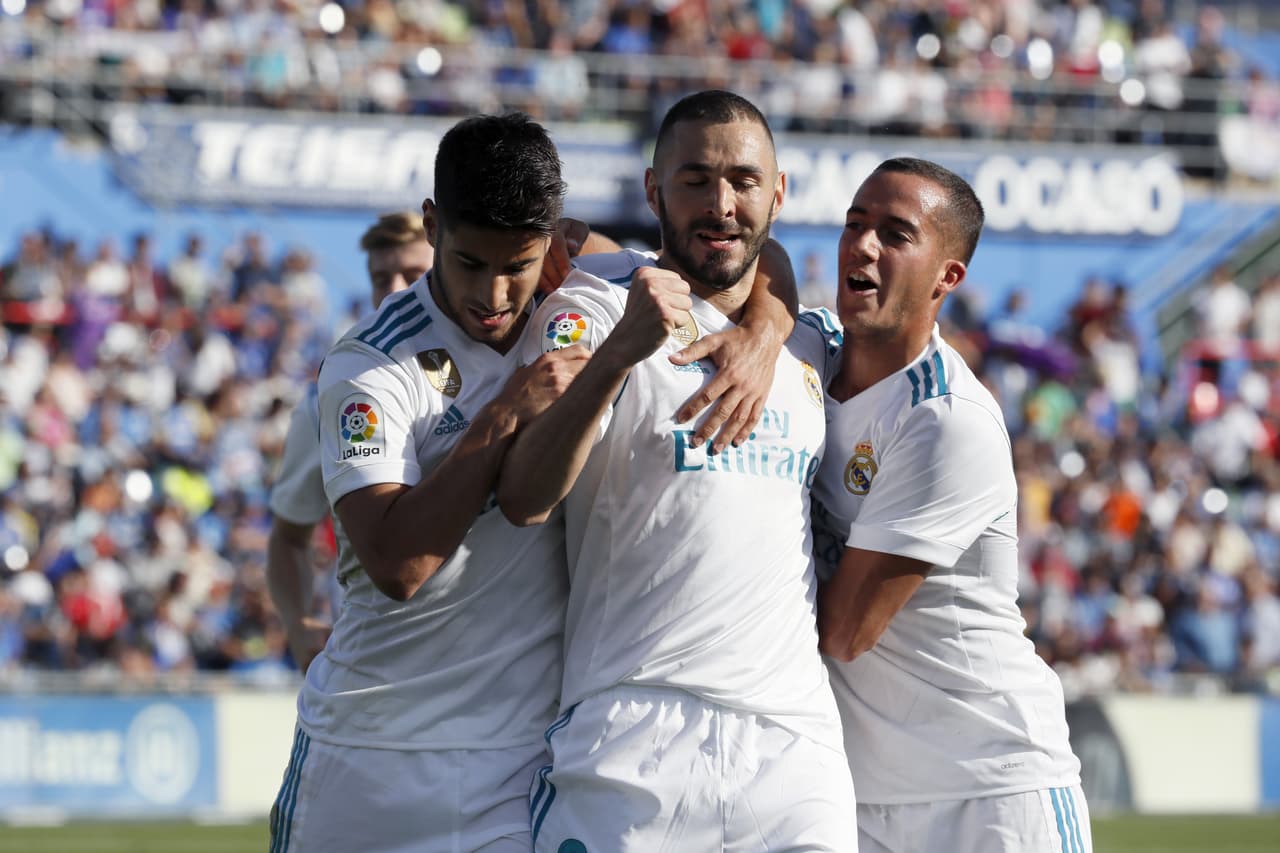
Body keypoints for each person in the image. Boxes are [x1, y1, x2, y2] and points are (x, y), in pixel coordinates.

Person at [270, 111, 795, 853]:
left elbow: (756, 259)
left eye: (517, 265)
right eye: (469, 262)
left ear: (554, 239)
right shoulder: (369, 367)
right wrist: (503, 413)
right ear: (432, 225)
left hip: (518, 772)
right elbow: (397, 564)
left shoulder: (592, 286)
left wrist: (766, 332)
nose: (493, 293)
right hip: (370, 757)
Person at [498, 90, 857, 851]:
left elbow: (773, 275)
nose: (721, 204)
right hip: (632, 736)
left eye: (744, 181)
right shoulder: (596, 310)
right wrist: (622, 352)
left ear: (779, 192)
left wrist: (765, 325)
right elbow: (524, 494)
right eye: (694, 180)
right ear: (654, 189)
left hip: (794, 752)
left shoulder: (814, 344)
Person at [809, 157, 1089, 853]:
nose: (863, 244)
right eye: (854, 223)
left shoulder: (944, 416)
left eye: (896, 233)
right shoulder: (804, 351)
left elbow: (844, 631)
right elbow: (750, 285)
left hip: (991, 793)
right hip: (866, 796)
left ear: (948, 277)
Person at [266, 211, 434, 675]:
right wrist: (301, 629)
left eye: (415, 274)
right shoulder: (330, 393)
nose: (396, 289)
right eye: (382, 278)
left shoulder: (498, 365)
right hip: (373, 678)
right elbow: (288, 536)